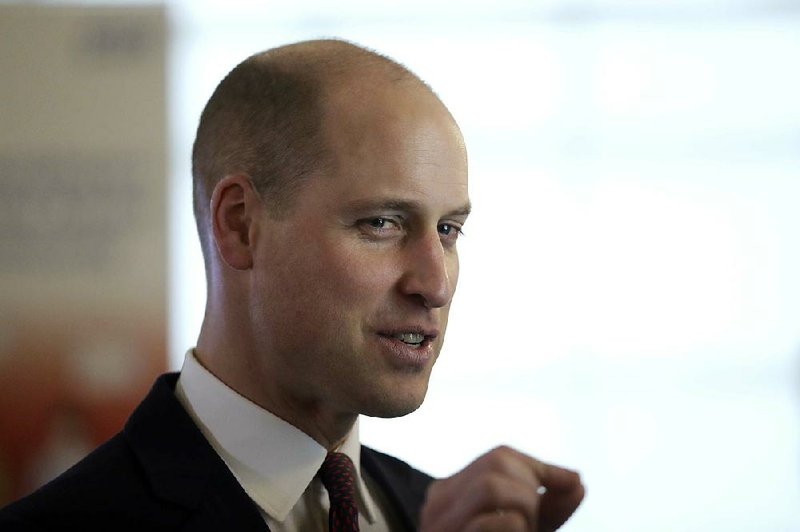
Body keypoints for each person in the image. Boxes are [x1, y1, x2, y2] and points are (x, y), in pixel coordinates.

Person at [0, 39, 584, 531]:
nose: (435, 284)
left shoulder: (437, 514)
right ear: (240, 224)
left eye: (449, 229)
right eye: (381, 223)